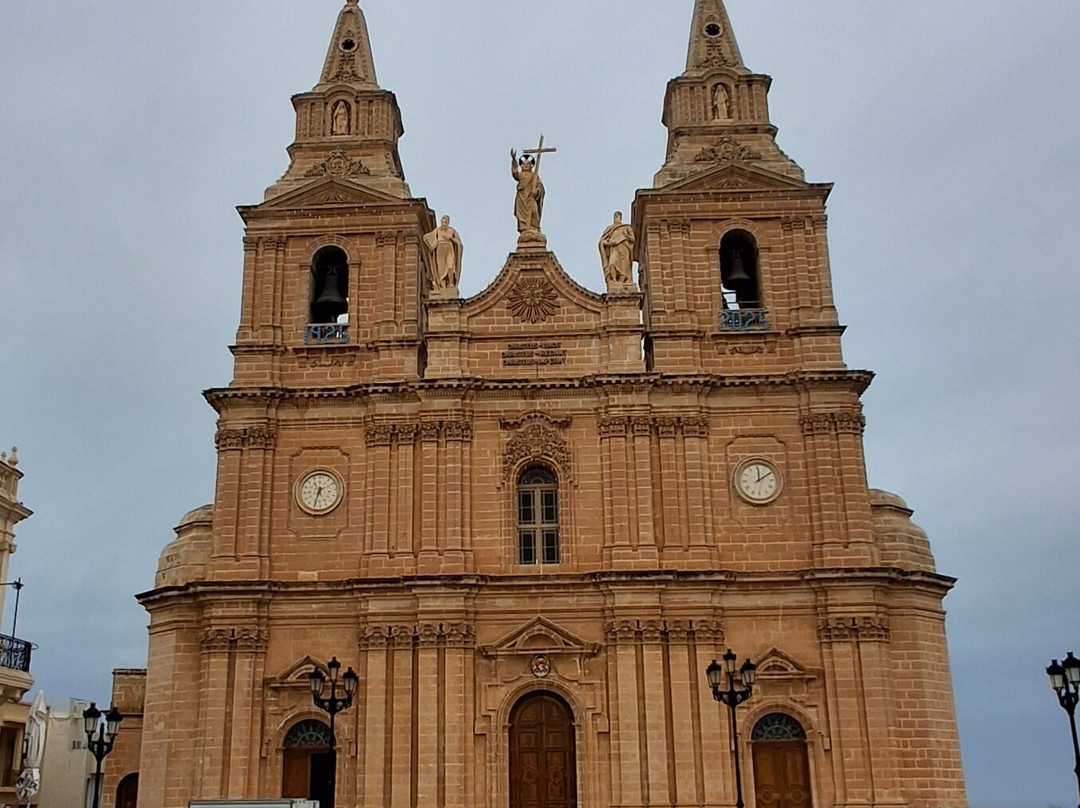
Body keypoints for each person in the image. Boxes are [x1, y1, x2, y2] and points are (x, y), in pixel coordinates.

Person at [423, 215, 463, 292]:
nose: (445, 221)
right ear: (441, 221)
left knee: (450, 266)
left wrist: (450, 238)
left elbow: (459, 243)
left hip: (449, 248)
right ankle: (442, 287)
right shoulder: (437, 231)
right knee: (441, 269)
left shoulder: (452, 231)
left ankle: (451, 283)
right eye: (444, 220)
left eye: (447, 220)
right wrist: (432, 245)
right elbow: (426, 237)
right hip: (440, 248)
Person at [511, 149, 545, 235]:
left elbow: (540, 186)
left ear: (531, 166)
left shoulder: (534, 176)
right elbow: (514, 173)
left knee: (534, 213)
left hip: (531, 198)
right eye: (524, 164)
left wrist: (536, 191)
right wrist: (514, 159)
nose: (526, 166)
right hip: (522, 198)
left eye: (528, 164)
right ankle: (525, 230)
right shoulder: (520, 175)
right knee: (522, 216)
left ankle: (535, 229)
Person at [599, 211, 635, 286]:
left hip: (624, 246)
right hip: (614, 248)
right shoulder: (609, 229)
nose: (617, 216)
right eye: (615, 215)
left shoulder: (626, 227)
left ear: (621, 218)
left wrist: (626, 236)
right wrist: (608, 243)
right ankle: (614, 280)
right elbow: (602, 241)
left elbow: (633, 239)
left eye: (618, 215)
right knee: (612, 263)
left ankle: (622, 281)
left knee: (624, 265)